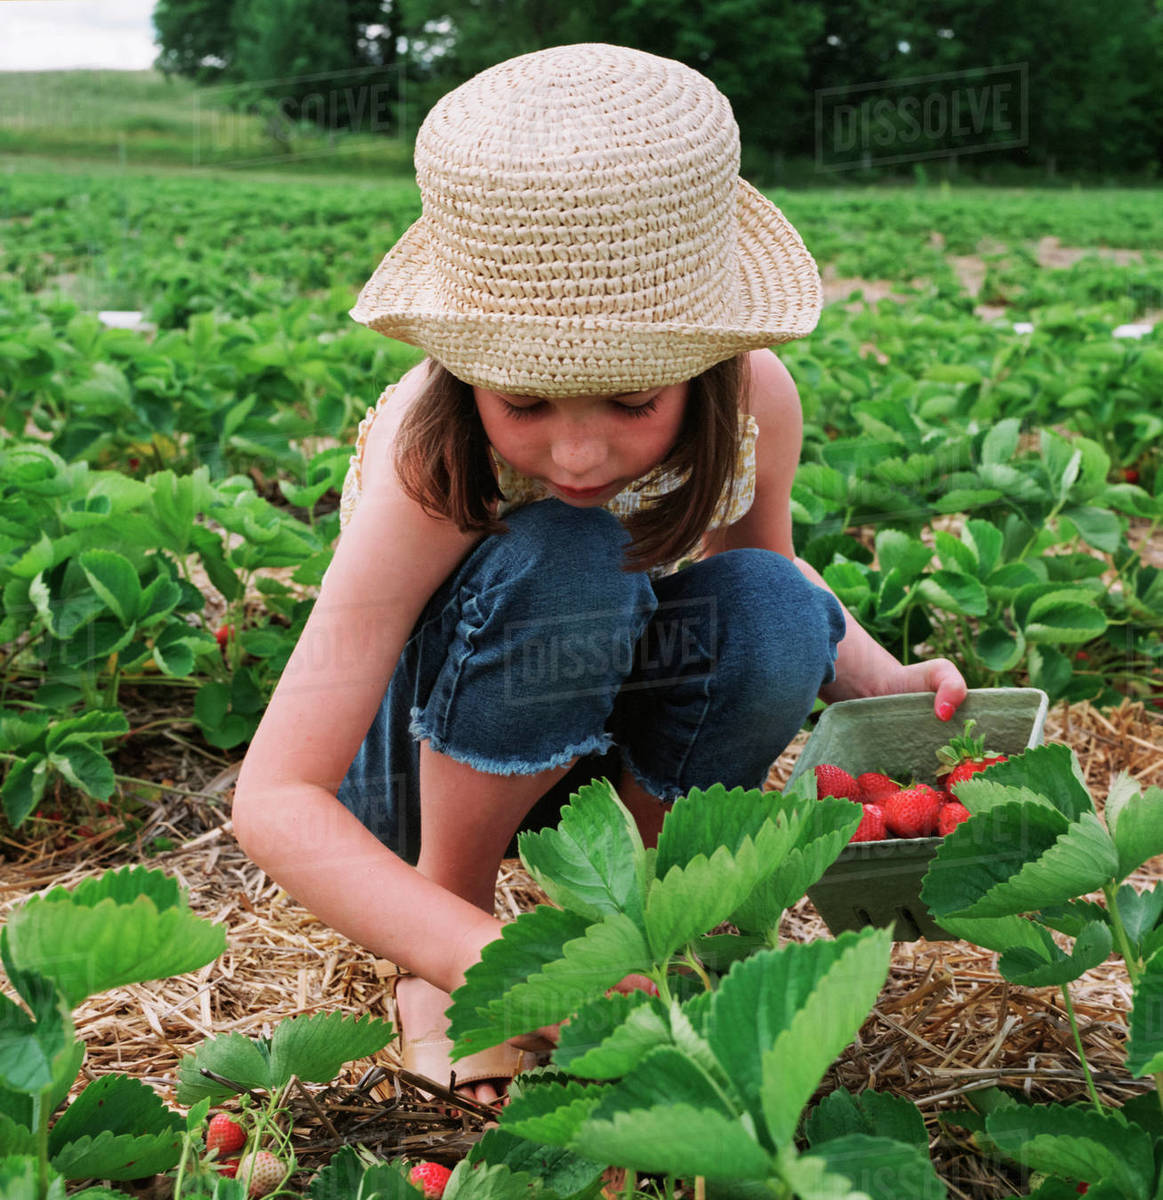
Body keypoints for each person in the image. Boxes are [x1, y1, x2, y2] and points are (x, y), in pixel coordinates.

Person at [231, 43, 966, 1111]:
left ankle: (636, 918)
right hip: (413, 762)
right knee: (570, 549)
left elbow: (761, 573)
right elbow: (274, 794)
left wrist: (877, 677)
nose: (577, 457)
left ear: (708, 361)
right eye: (525, 404)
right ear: (468, 370)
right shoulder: (430, 450)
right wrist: (495, 967)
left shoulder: (753, 398)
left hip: (583, 727)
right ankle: (447, 945)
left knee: (769, 609)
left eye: (631, 402)